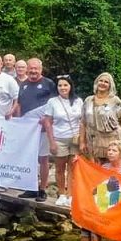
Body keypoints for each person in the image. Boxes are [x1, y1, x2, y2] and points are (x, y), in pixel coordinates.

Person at [15, 58, 57, 202]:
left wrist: (46, 119)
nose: (33, 71)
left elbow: (54, 105)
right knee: (30, 159)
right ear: (27, 69)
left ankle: (42, 189)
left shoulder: (48, 84)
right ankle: (31, 187)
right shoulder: (23, 85)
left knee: (43, 159)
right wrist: (17, 119)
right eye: (31, 68)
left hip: (43, 129)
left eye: (36, 69)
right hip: (28, 130)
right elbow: (19, 104)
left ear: (41, 69)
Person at [43, 74, 83, 207]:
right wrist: (52, 141)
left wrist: (83, 140)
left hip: (75, 139)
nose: (63, 87)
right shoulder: (52, 102)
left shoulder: (78, 101)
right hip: (59, 138)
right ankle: (61, 194)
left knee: (73, 168)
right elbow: (47, 122)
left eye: (65, 85)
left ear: (70, 86)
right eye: (60, 85)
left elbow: (83, 121)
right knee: (60, 168)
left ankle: (70, 195)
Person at [79, 72, 121, 162]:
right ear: (96, 82)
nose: (102, 83)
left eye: (106, 82)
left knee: (111, 165)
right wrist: (82, 142)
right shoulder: (88, 100)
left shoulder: (115, 100)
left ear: (110, 85)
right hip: (93, 140)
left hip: (111, 139)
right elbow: (83, 122)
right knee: (96, 166)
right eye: (100, 81)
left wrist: (114, 130)